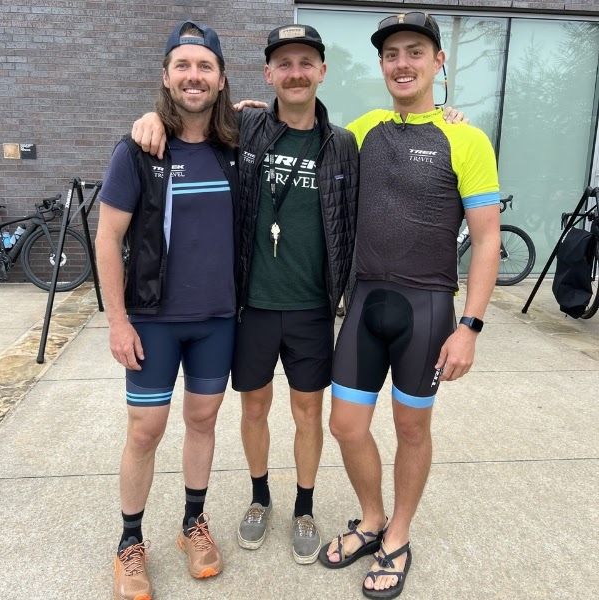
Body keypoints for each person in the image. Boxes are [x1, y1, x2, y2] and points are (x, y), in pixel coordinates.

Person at [132, 24, 359, 565]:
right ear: (268, 74)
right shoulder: (247, 129)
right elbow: (186, 113)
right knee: (253, 408)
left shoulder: (344, 143)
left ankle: (304, 506)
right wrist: (145, 118)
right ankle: (260, 499)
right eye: (285, 64)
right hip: (251, 304)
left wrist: (448, 114)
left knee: (308, 411)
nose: (296, 72)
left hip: (311, 306)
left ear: (322, 72)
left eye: (307, 63)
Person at [318, 12, 501, 600]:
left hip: (426, 307)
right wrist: (244, 112)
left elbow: (488, 238)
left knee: (410, 427)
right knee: (346, 425)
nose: (402, 63)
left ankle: (398, 534)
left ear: (437, 61)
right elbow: (300, 131)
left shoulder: (466, 138)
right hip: (366, 299)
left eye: (415, 52)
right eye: (392, 53)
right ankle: (371, 519)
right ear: (382, 64)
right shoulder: (365, 128)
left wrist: (470, 325)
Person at [95, 21, 239, 600]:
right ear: (165, 76)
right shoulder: (139, 148)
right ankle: (130, 541)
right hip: (152, 320)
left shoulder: (237, 146)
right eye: (182, 65)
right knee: (146, 430)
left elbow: (288, 114)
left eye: (205, 66)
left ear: (221, 78)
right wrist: (118, 320)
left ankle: (192, 524)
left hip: (218, 321)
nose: (193, 76)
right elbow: (108, 238)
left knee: (202, 422)